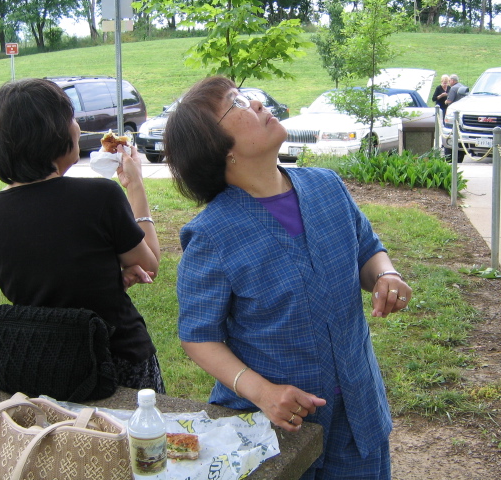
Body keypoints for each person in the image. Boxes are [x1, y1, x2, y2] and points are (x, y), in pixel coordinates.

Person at [164, 76, 412, 479]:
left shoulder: (327, 186)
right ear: (218, 149)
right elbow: (199, 335)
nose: (257, 104)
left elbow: (368, 249)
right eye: (236, 103)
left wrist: (387, 274)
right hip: (275, 430)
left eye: (247, 96)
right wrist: (263, 392)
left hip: (358, 414)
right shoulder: (212, 234)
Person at [0, 78, 165, 393]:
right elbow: (150, 265)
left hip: (43, 366)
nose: (77, 128)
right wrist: (135, 186)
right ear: (55, 132)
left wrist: (103, 275)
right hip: (117, 360)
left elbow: (32, 286)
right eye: (72, 119)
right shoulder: (99, 196)